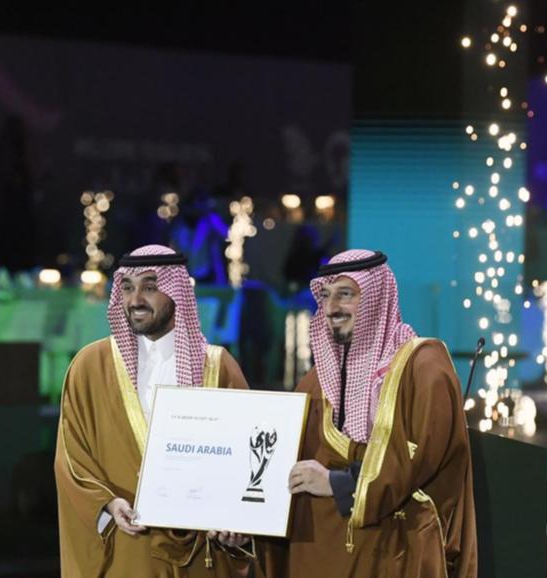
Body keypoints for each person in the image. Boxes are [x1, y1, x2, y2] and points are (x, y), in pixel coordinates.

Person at [260, 249, 477, 577]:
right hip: (319, 557)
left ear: (377, 298)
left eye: (345, 294)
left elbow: (419, 460)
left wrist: (338, 482)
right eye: (325, 296)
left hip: (395, 553)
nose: (332, 308)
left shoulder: (425, 368)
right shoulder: (314, 384)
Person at [55, 245, 253, 577]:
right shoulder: (89, 366)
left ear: (177, 292)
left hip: (199, 550)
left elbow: (248, 455)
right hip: (126, 547)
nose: (135, 300)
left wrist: (236, 519)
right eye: (128, 288)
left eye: (150, 287)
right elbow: (71, 455)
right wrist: (108, 504)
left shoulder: (217, 367)